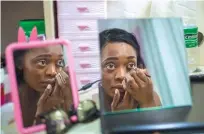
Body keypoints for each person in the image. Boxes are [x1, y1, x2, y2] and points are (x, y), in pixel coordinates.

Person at [99, 28, 161, 112]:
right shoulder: (91, 104)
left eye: (131, 65)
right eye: (110, 65)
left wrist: (147, 102)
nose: (122, 76)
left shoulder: (149, 97)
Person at [13, 45, 72, 127]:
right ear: (20, 63)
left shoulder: (61, 91)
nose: (53, 72)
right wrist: (43, 114)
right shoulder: (11, 106)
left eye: (59, 62)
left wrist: (69, 100)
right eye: (42, 62)